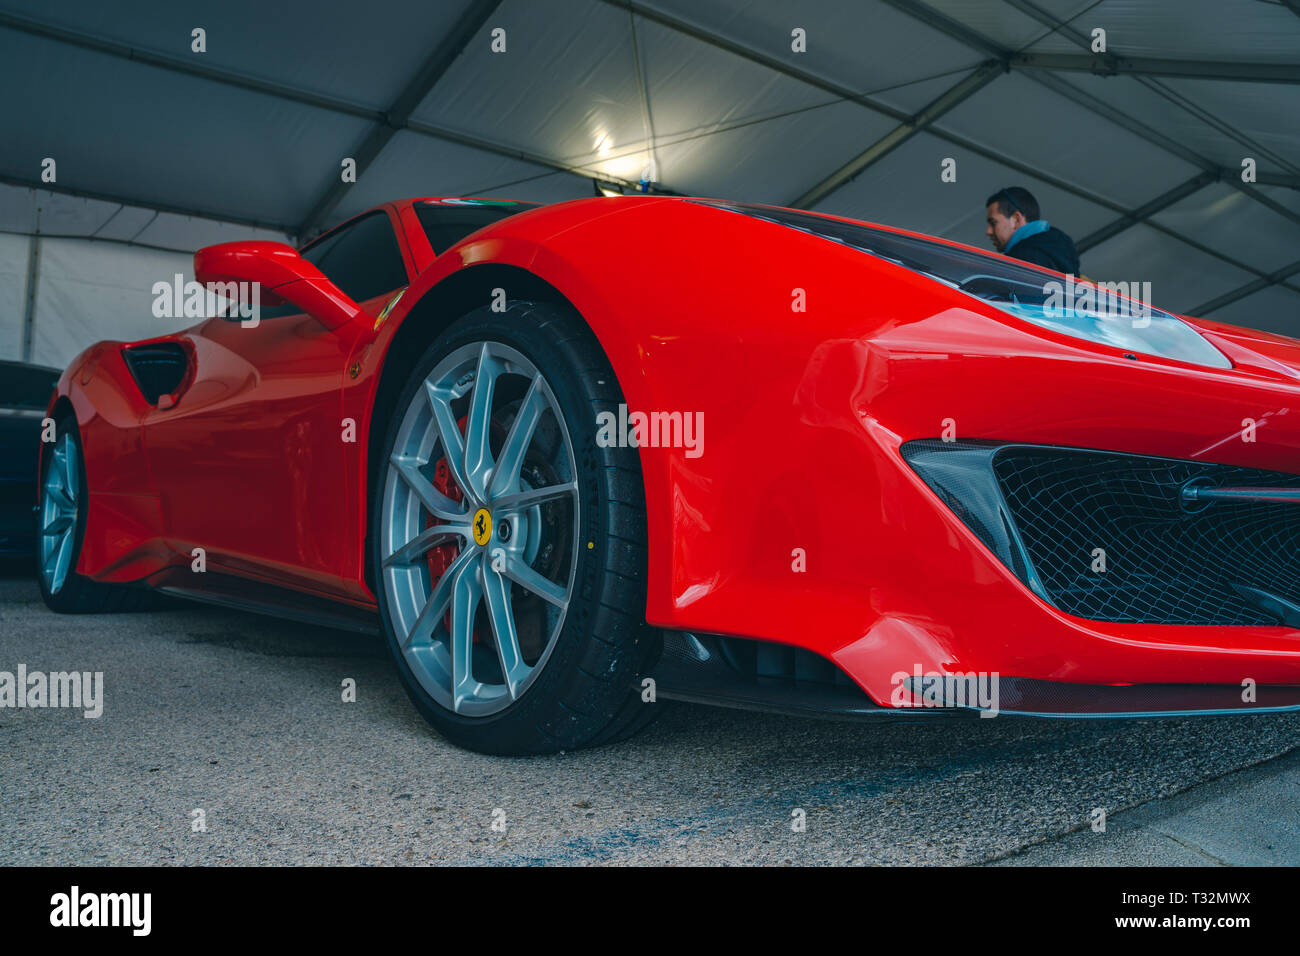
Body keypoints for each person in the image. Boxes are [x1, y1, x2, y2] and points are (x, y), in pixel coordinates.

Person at [984, 186, 1080, 275]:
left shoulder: (1021, 261)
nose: (988, 231)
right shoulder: (1062, 251)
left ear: (1016, 219)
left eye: (993, 223)